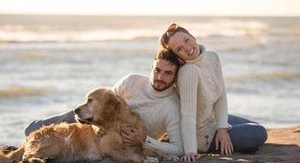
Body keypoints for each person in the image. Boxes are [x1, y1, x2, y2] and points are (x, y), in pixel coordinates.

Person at [24, 49, 184, 156]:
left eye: (168, 73)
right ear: (151, 68)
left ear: (175, 77)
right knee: (32, 130)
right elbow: (102, 101)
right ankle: (31, 135)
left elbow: (179, 148)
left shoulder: (171, 106)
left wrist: (144, 140)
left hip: (119, 142)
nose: (160, 77)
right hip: (93, 123)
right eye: (157, 70)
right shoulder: (132, 80)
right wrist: (97, 126)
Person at [160, 23, 267, 162]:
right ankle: (213, 144)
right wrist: (191, 151)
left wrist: (222, 128)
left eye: (187, 40)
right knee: (259, 133)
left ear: (193, 36)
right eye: (179, 49)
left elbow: (221, 96)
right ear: (177, 56)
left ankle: (231, 137)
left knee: (255, 125)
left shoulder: (212, 56)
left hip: (212, 120)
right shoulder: (189, 72)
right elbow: (188, 115)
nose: (187, 48)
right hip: (202, 134)